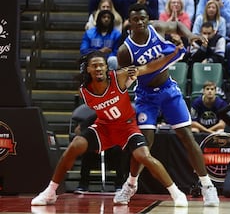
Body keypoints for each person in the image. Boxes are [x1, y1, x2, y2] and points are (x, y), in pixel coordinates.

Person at [31, 51, 188, 207]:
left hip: (127, 126)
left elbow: (149, 67)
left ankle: (176, 193)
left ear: (107, 67)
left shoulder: (119, 76)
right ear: (88, 69)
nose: (98, 68)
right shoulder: (85, 91)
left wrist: (173, 55)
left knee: (144, 156)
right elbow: (102, 112)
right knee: (75, 146)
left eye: (101, 65)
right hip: (104, 127)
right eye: (94, 66)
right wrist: (86, 127)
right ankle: (50, 192)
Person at [115, 3, 219, 206]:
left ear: (148, 18)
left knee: (187, 137)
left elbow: (178, 26)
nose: (141, 22)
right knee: (143, 144)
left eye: (143, 18)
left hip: (168, 90)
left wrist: (190, 35)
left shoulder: (157, 27)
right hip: (145, 96)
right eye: (136, 19)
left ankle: (208, 186)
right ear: (130, 22)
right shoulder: (124, 51)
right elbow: (128, 79)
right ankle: (130, 184)